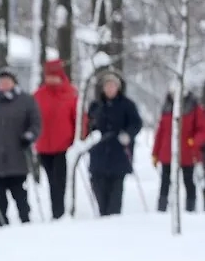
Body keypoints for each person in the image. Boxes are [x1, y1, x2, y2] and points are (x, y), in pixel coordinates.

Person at [0, 68, 43, 226]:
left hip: (17, 157)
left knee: (19, 193)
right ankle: (1, 222)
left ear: (14, 83)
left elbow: (36, 123)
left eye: (7, 81)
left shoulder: (26, 101)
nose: (4, 84)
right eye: (1, 82)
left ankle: (25, 220)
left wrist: (29, 136)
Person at [86, 70, 142, 216]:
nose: (110, 88)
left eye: (113, 85)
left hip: (119, 154)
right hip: (99, 155)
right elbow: (88, 125)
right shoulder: (96, 105)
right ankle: (103, 216)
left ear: (118, 87)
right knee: (99, 190)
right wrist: (91, 134)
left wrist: (128, 134)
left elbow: (136, 123)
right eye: (107, 85)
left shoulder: (127, 105)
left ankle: (113, 219)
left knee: (115, 194)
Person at [33, 59, 77, 219]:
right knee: (52, 181)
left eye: (54, 76)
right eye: (48, 76)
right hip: (43, 146)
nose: (51, 79)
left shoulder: (70, 93)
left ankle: (60, 213)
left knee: (60, 181)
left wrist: (78, 138)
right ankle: (56, 212)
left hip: (64, 146)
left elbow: (78, 118)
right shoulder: (38, 95)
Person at [151, 90, 205, 212]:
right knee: (165, 182)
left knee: (188, 181)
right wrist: (155, 153)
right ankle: (161, 210)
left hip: (187, 153)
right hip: (167, 153)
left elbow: (202, 129)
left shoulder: (193, 106)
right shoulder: (167, 106)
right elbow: (160, 132)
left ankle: (190, 210)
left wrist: (194, 141)